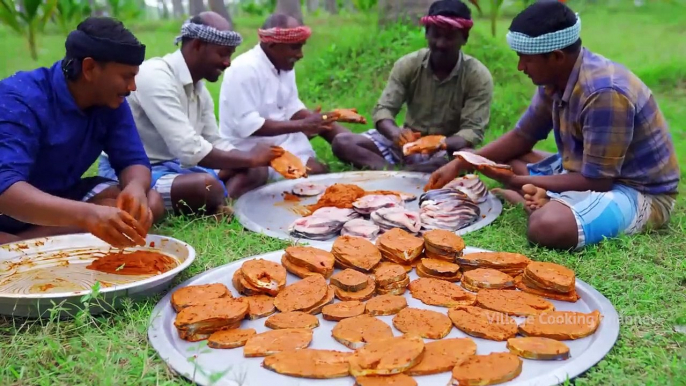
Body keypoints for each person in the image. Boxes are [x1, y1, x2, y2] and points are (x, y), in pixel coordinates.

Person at [426, 1, 680, 250]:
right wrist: (463, 162)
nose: (520, 67)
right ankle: (542, 196)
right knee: (510, 158)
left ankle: (541, 201)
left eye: (526, 59)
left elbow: (599, 181)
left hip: (636, 191)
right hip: (588, 171)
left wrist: (516, 181)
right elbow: (522, 137)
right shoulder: (556, 80)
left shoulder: (603, 93)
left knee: (546, 226)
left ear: (556, 57)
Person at [0, 17, 164, 248]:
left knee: (149, 202)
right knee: (108, 213)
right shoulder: (20, 99)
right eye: (126, 76)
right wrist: (87, 215)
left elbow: (133, 160)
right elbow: (5, 189)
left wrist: (135, 187)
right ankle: (22, 240)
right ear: (89, 68)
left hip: (57, 196)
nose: (132, 87)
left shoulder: (109, 100)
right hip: (9, 205)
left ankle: (23, 242)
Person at [98, 13, 278, 216]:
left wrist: (252, 161)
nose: (228, 63)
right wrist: (250, 158)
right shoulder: (156, 76)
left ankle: (219, 205)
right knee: (206, 186)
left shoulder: (199, 90)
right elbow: (189, 150)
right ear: (198, 46)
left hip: (179, 167)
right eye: (223, 54)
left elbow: (214, 141)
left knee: (256, 171)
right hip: (138, 171)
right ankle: (217, 200)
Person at [332, 0, 494, 173]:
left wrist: (439, 143)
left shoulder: (477, 76)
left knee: (465, 158)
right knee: (343, 142)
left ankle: (396, 173)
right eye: (436, 35)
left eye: (449, 37)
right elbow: (383, 110)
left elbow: (472, 132)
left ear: (465, 38)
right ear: (426, 33)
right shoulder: (408, 64)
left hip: (443, 150)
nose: (440, 43)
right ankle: (399, 173)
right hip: (406, 144)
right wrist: (395, 133)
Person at [218, 13, 352, 181]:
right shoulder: (244, 70)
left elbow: (291, 106)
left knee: (323, 167)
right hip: (251, 149)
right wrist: (303, 124)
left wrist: (322, 119)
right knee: (315, 176)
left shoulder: (284, 65)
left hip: (285, 141)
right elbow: (249, 126)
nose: (300, 55)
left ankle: (357, 147)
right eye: (295, 47)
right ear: (273, 44)